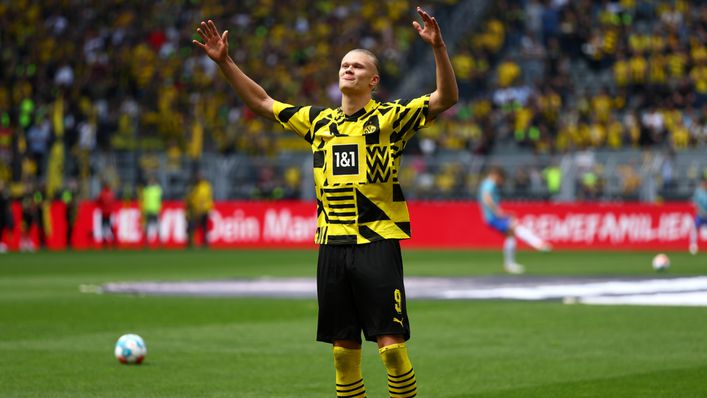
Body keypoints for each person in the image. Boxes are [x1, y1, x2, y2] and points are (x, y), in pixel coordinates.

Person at [194, 6, 458, 397]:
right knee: (342, 353)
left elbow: (445, 98)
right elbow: (263, 103)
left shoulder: (391, 119)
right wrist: (226, 62)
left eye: (356, 66)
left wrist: (438, 49)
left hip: (377, 241)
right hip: (331, 245)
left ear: (374, 80)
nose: (347, 70)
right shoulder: (319, 122)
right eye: (343, 65)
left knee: (392, 351)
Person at [479, 166, 552, 274]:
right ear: (497, 176)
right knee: (515, 227)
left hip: (491, 217)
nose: (501, 182)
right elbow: (487, 198)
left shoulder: (485, 183)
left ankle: (510, 264)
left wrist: (501, 212)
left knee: (511, 234)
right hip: (492, 217)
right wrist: (497, 212)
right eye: (501, 179)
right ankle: (538, 244)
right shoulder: (489, 184)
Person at [186, 172, 213, 248]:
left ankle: (205, 243)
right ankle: (191, 243)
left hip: (204, 210)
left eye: (199, 176)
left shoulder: (205, 186)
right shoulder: (194, 187)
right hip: (195, 209)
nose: (198, 178)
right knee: (193, 227)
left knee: (204, 227)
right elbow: (190, 198)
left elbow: (208, 198)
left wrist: (208, 207)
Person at [141, 175, 163, 246]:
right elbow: (143, 200)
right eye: (150, 180)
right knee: (147, 226)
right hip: (148, 210)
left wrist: (159, 209)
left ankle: (160, 241)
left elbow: (159, 200)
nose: (151, 181)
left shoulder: (157, 189)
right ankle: (146, 242)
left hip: (155, 210)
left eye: (152, 180)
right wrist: (143, 210)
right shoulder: (146, 190)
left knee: (157, 226)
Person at [689, 174, 707, 255]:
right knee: (695, 228)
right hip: (700, 214)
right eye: (704, 182)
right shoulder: (698, 191)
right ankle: (693, 246)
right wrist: (700, 211)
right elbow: (695, 203)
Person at [96, 180, 116, 248]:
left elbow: (98, 200)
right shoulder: (110, 193)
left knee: (106, 227)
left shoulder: (103, 193)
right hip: (108, 213)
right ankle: (109, 241)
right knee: (108, 227)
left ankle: (107, 241)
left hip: (106, 213)